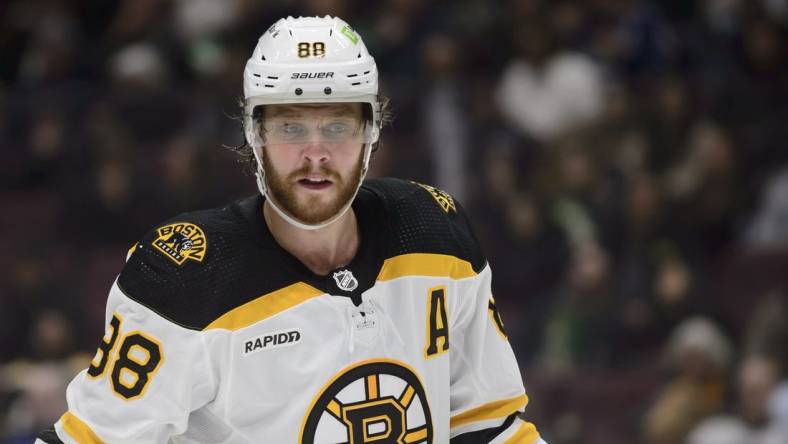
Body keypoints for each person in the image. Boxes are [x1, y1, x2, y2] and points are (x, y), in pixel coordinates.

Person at [36, 16, 545, 443]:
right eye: (291, 127)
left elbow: (490, 426)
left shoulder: (434, 234)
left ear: (372, 132)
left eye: (338, 127)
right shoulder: (185, 278)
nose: (316, 153)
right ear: (254, 135)